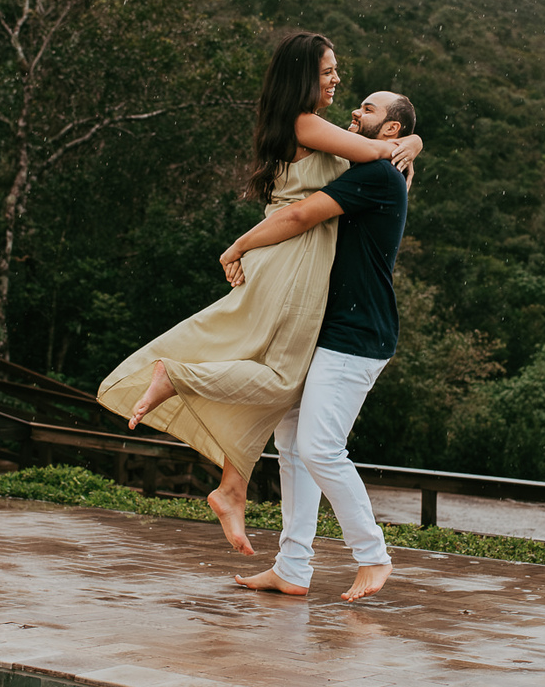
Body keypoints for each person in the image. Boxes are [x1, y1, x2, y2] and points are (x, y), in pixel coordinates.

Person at [96, 33, 421, 555]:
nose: (338, 81)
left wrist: (412, 142)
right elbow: (371, 156)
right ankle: (176, 376)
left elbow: (378, 158)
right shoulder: (310, 125)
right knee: (279, 377)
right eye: (328, 72)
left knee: (269, 377)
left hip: (293, 263)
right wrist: (406, 142)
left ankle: (234, 488)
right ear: (303, 77)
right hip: (292, 264)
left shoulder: (310, 126)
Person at [219, 89, 415, 604]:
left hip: (358, 334)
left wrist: (239, 244)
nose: (354, 112)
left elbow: (301, 215)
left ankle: (373, 556)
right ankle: (292, 568)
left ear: (390, 131)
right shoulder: (367, 164)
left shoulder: (377, 174)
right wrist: (417, 142)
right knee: (292, 446)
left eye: (369, 111)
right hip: (325, 328)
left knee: (320, 447)